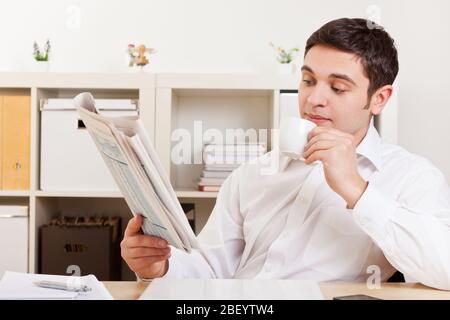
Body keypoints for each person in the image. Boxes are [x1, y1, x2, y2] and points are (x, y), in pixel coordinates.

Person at [121, 18, 450, 290]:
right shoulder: (254, 173)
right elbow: (211, 269)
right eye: (308, 80)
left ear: (379, 99)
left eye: (337, 88)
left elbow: (444, 270)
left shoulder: (410, 177)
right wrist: (159, 266)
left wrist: (356, 189)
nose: (314, 99)